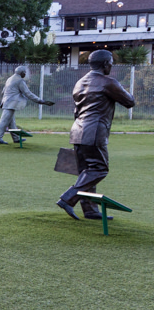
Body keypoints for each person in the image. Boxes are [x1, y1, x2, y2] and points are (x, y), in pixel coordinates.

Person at [56, 50, 135, 221]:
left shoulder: (79, 82)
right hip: (94, 130)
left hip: (77, 129)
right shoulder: (108, 83)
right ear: (106, 64)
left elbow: (76, 110)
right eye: (111, 64)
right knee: (99, 169)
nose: (111, 66)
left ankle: (90, 210)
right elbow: (129, 102)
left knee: (86, 171)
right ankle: (67, 198)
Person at [0, 66, 55, 144]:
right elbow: (28, 93)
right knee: (4, 121)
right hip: (11, 103)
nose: (25, 74)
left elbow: (3, 91)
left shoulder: (9, 79)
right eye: (24, 73)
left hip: (6, 102)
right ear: (22, 73)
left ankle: (16, 138)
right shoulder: (20, 81)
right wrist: (40, 101)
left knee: (11, 122)